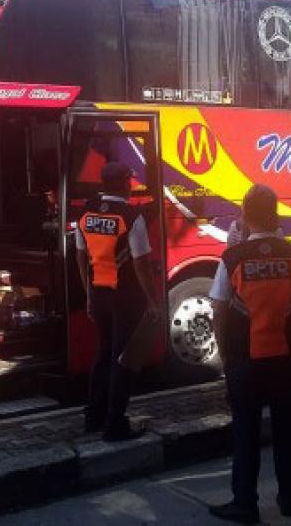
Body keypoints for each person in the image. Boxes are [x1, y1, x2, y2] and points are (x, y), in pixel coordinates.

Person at [208, 185, 291, 524]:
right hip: (287, 359)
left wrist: (226, 353)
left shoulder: (233, 258)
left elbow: (218, 308)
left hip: (246, 361)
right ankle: (288, 498)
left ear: (244, 216)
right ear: (275, 214)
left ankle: (245, 503)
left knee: (246, 431)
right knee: (288, 429)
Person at [75, 162, 160, 442]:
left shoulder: (85, 214)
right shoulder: (130, 216)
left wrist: (88, 293)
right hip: (125, 297)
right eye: (129, 181)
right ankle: (115, 425)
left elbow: (80, 256)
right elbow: (142, 264)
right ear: (124, 183)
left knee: (103, 354)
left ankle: (93, 417)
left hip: (99, 293)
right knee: (122, 359)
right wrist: (152, 301)